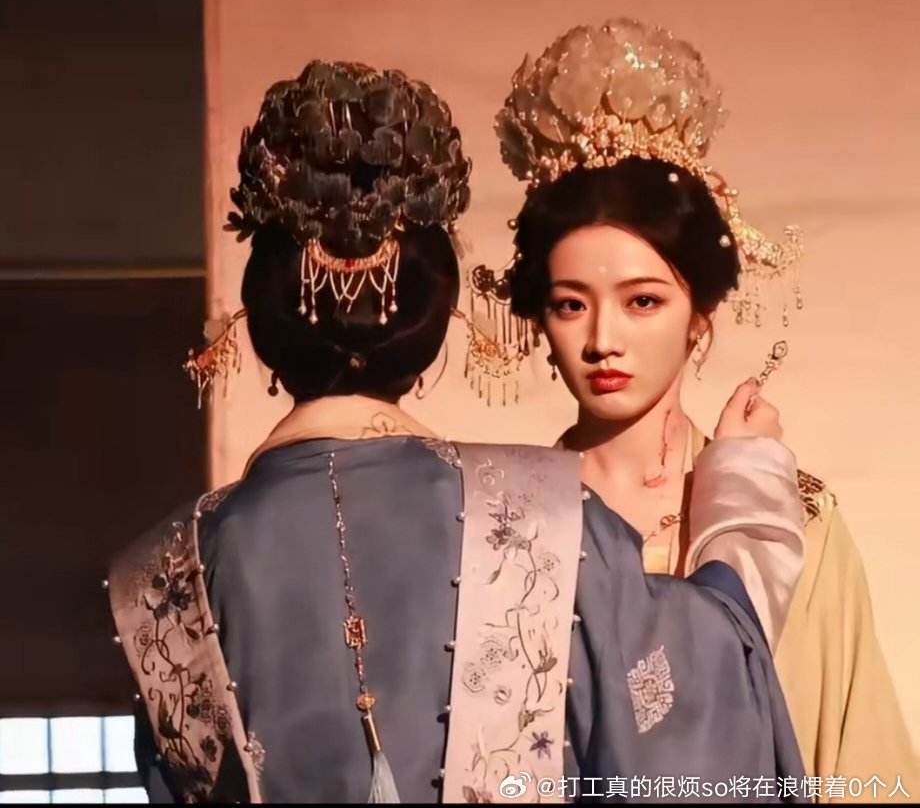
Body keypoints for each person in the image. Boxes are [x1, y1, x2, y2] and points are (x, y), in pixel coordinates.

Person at [105, 59, 807, 804]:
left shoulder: (161, 577)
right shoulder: (544, 518)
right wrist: (745, 499)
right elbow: (700, 706)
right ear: (437, 328)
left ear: (261, 331)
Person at [494, 17, 919, 801]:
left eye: (643, 300)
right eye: (570, 303)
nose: (603, 340)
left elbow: (862, 766)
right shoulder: (501, 531)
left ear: (700, 313)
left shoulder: (804, 525)